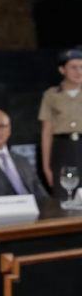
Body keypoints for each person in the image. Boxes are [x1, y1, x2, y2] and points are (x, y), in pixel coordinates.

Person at [39, 47, 82, 197]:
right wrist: (46, 167)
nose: (78, 71)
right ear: (62, 70)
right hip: (62, 149)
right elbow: (46, 132)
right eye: (73, 67)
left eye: (81, 67)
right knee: (64, 195)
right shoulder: (51, 95)